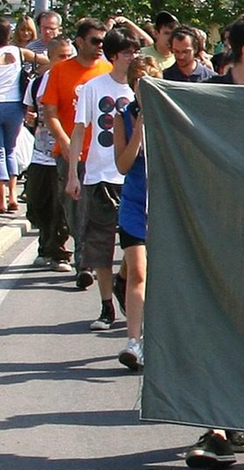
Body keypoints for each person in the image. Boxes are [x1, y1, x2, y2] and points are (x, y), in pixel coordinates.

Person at [182, 11, 244, 466]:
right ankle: (214, 426)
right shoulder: (201, 97)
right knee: (209, 325)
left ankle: (235, 416)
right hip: (212, 231)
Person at [65, 27, 142, 332]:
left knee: (134, 245)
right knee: (100, 244)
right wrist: (73, 172)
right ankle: (107, 305)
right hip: (99, 174)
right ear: (113, 57)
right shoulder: (93, 87)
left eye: (135, 52)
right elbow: (80, 130)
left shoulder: (141, 89)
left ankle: (124, 281)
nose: (133, 57)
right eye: (127, 53)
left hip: (133, 179)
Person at [42, 18, 112, 287]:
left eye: (103, 42)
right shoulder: (60, 71)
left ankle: (85, 263)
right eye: (95, 41)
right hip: (70, 154)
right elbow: (50, 112)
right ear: (80, 42)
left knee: (97, 211)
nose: (99, 47)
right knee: (75, 210)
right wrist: (65, 142)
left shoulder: (107, 70)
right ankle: (83, 258)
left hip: (102, 155)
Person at [0, 18, 48, 213]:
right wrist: (37, 74)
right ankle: (13, 196)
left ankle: (2, 200)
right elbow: (48, 61)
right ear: (8, 35)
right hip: (15, 107)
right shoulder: (19, 52)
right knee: (11, 150)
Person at [113, 54, 159, 371]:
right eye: (137, 86)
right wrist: (139, 128)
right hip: (134, 202)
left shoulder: (171, 113)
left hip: (163, 204)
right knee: (140, 271)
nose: (142, 92)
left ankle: (122, 280)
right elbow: (123, 165)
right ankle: (134, 341)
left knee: (158, 275)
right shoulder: (124, 117)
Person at [24, 35, 74, 270]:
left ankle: (59, 252)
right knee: (37, 202)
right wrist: (30, 119)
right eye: (61, 57)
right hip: (40, 153)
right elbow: (29, 112)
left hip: (65, 153)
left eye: (69, 56)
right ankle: (44, 245)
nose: (66, 61)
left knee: (61, 205)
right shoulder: (38, 83)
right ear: (51, 58)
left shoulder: (77, 84)